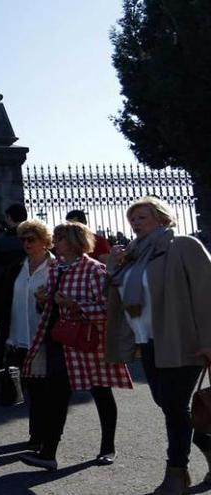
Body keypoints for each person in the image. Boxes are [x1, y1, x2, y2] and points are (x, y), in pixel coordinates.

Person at [106, 197, 211, 494]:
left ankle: (176, 473)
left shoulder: (183, 246)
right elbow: (116, 294)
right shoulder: (135, 255)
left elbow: (206, 294)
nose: (135, 223)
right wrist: (115, 263)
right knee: (168, 405)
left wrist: (209, 342)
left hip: (183, 341)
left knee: (175, 407)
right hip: (149, 341)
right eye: (133, 219)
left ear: (162, 218)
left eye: (142, 217)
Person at [20, 222, 133, 472]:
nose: (55, 243)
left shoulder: (94, 270)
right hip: (61, 340)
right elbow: (50, 308)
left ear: (72, 241)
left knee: (101, 392)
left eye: (59, 238)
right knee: (56, 396)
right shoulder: (56, 269)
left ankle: (107, 447)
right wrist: (44, 301)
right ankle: (49, 453)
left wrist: (74, 304)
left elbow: (108, 308)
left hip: (88, 342)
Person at [4, 220, 53, 436]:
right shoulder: (17, 266)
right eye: (23, 239)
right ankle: (36, 434)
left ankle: (40, 436)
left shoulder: (55, 268)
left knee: (44, 390)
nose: (26, 243)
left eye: (31, 239)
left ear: (45, 241)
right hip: (19, 337)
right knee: (31, 389)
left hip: (43, 337)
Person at [0, 204, 29, 376]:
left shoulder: (1, 240)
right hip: (28, 292)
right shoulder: (34, 237)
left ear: (9, 218)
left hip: (4, 292)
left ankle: (2, 366)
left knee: (3, 331)